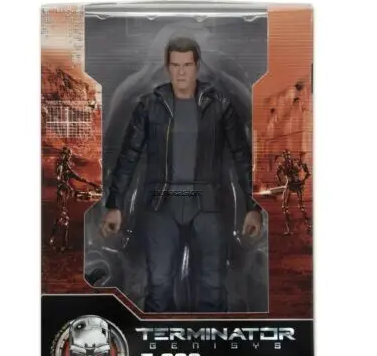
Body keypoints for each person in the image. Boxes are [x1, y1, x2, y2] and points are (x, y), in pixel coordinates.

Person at [101, 37, 262, 312]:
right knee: (159, 286)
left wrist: (252, 207)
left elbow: (242, 157)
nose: (181, 72)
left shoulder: (219, 105)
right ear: (167, 67)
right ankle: (155, 336)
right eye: (175, 65)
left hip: (208, 206)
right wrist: (114, 205)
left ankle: (213, 339)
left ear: (197, 66)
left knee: (213, 287)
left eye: (187, 65)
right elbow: (128, 156)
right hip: (162, 205)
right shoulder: (149, 106)